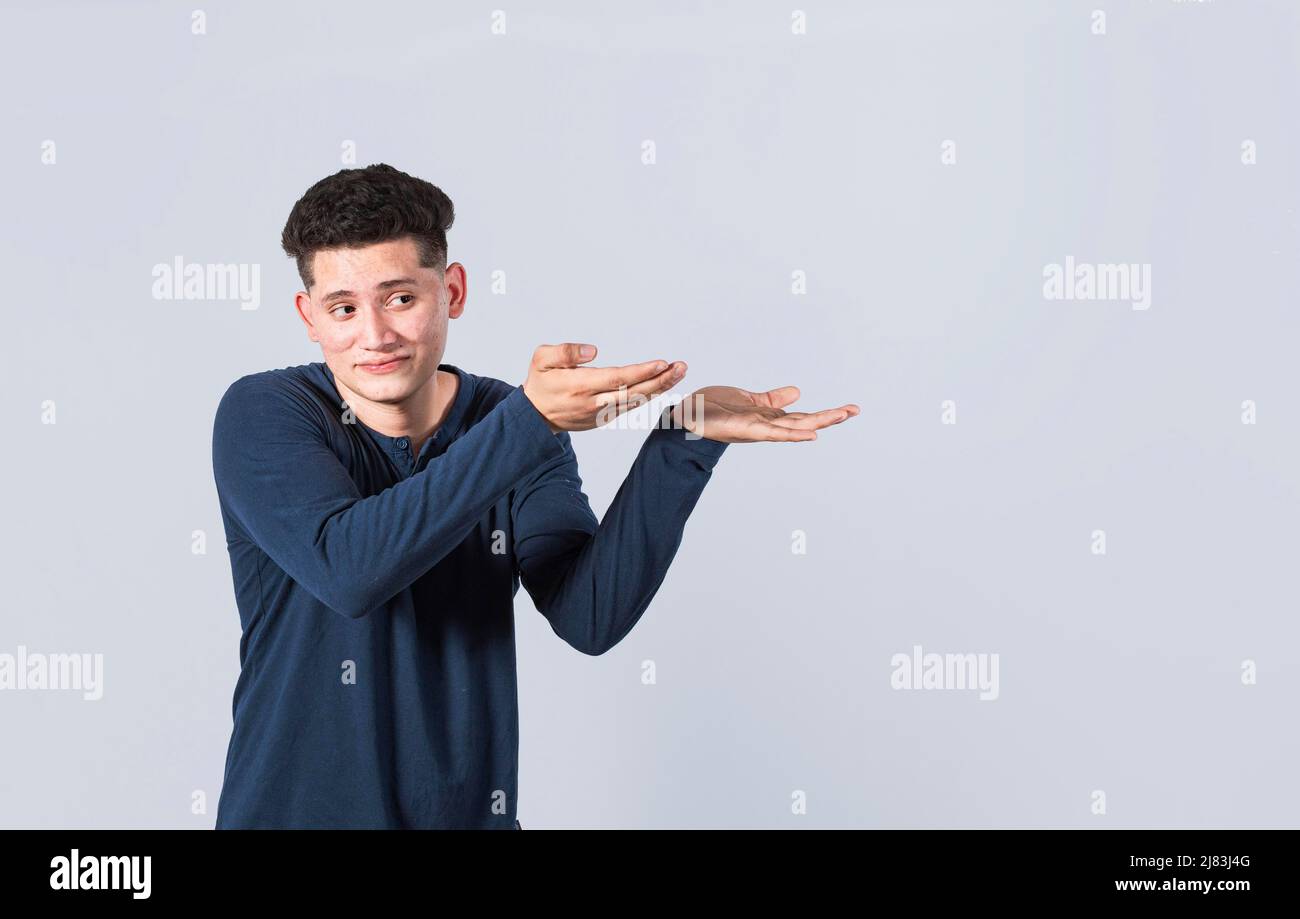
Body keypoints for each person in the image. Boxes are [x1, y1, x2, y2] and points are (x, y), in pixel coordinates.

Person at [211, 163, 858, 828]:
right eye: (343, 308)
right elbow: (348, 570)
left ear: (452, 290)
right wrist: (527, 423)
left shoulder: (516, 424)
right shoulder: (266, 412)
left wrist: (681, 443)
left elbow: (590, 616)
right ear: (309, 316)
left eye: (400, 298)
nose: (374, 335)